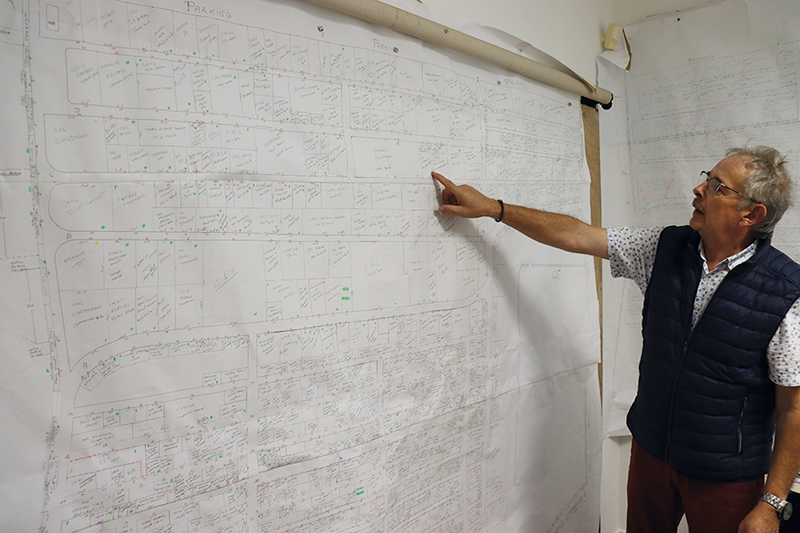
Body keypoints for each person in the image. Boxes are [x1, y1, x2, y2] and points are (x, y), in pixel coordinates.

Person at [432, 146, 800, 533]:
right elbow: (577, 235)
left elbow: (793, 410)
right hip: (651, 455)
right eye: (707, 177)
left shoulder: (786, 293)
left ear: (751, 214)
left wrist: (771, 504)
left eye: (716, 186)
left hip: (725, 475)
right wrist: (494, 208)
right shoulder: (663, 248)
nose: (698, 189)